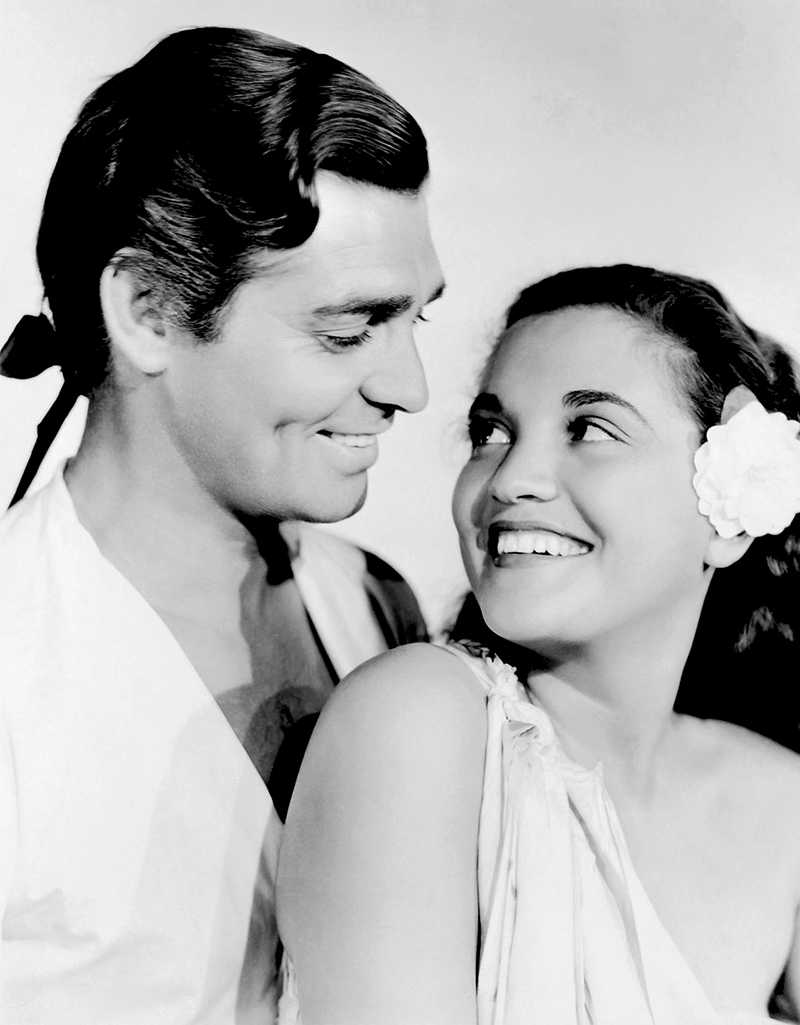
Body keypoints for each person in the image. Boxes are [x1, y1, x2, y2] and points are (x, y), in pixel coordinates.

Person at [0, 25, 444, 1024]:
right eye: (347, 329)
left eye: (414, 319)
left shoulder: (378, 605)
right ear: (149, 310)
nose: (408, 387)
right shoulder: (15, 671)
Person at [277, 264, 800, 1024]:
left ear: (730, 512)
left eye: (590, 430)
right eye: (491, 433)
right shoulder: (416, 720)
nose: (511, 477)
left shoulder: (782, 801)